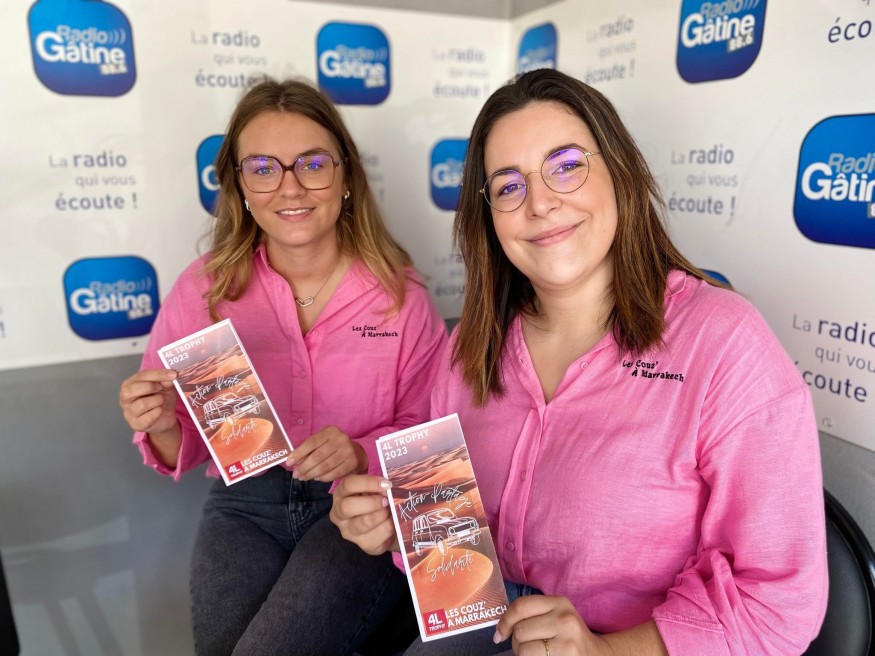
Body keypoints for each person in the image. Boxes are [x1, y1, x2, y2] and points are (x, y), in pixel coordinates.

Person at [330, 69, 828, 656]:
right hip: (480, 628)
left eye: (566, 165)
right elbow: (450, 552)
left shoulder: (724, 344)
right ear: (489, 216)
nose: (540, 202)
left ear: (618, 171)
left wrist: (607, 652)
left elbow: (778, 605)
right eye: (508, 186)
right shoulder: (470, 346)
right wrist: (398, 526)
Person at [119, 78, 447, 656]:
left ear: (345, 177)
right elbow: (181, 448)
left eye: (313, 164)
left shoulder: (401, 297)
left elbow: (433, 440)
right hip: (244, 505)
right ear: (240, 185)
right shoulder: (203, 291)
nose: (290, 187)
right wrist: (163, 423)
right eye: (263, 168)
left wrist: (360, 452)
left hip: (358, 507)